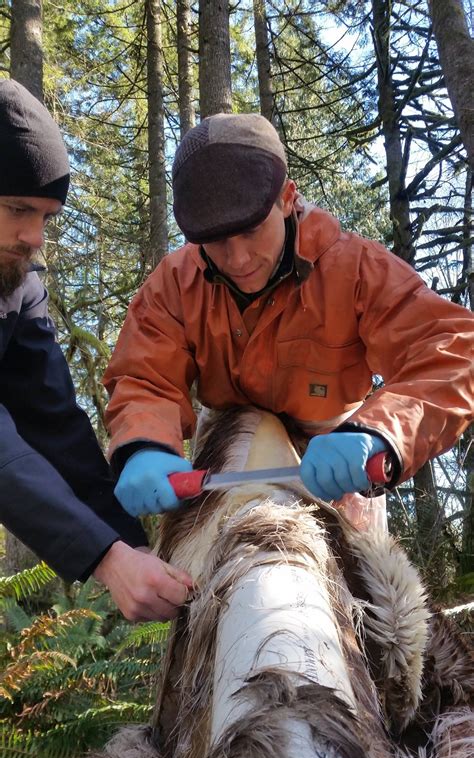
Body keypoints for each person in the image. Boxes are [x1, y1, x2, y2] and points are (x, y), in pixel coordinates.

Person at [103, 112, 474, 518]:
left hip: (339, 455)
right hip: (224, 442)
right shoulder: (174, 282)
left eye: (250, 230)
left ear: (287, 198)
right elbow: (144, 377)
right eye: (216, 241)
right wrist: (145, 444)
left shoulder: (356, 267)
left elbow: (456, 351)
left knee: (368, 574)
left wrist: (380, 431)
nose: (238, 259)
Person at [0, 79, 193, 620]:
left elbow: (54, 423)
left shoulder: (17, 285)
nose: (35, 236)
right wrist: (106, 559)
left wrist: (130, 544)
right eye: (18, 209)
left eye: (46, 217)